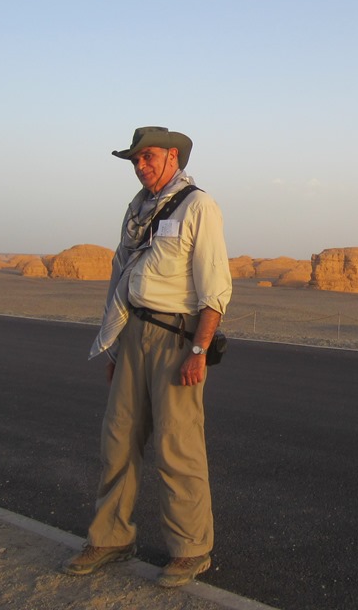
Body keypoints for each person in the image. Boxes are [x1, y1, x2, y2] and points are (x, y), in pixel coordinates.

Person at [62, 126, 232, 588]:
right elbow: (120, 277)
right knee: (117, 441)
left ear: (173, 156)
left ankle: (191, 549)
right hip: (132, 334)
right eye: (136, 160)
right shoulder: (136, 210)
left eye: (149, 157)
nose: (141, 166)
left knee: (178, 447)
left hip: (176, 339)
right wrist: (115, 346)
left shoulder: (199, 205)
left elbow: (215, 286)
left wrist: (198, 349)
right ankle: (111, 537)